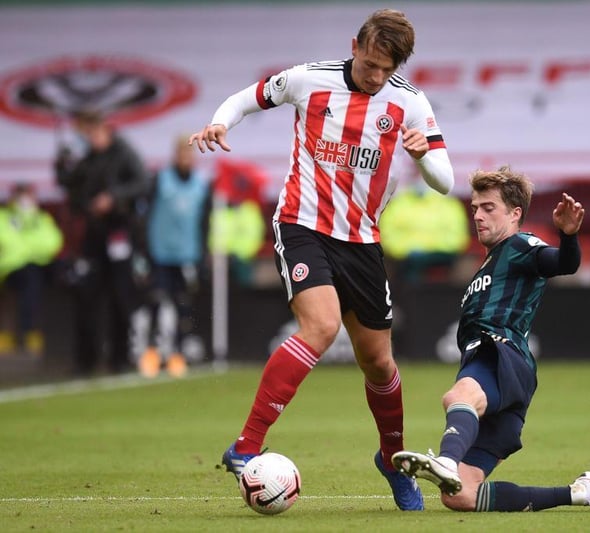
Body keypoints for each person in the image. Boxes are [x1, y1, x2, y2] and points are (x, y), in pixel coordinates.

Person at [189, 9, 454, 511]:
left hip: (363, 241)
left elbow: (446, 180)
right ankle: (245, 446)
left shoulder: (410, 103)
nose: (375, 76)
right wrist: (221, 121)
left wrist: (423, 155)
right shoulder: (310, 79)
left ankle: (392, 458)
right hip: (303, 224)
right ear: (354, 45)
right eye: (370, 63)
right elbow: (249, 97)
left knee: (378, 362)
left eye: (385, 68)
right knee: (321, 327)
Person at [391, 166, 590, 513]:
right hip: (508, 380)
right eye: (476, 208)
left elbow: (563, 263)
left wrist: (568, 236)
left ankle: (446, 461)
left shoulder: (520, 245)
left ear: (515, 214)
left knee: (458, 395)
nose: (478, 216)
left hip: (501, 355)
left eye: (488, 208)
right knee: (460, 496)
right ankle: (583, 492)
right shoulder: (488, 264)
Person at [55, 109, 150, 375]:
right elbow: (70, 185)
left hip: (119, 232)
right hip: (94, 235)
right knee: (86, 295)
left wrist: (113, 197)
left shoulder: (124, 153)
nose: (92, 138)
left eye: (95, 132)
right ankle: (86, 359)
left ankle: (119, 358)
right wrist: (62, 164)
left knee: (121, 296)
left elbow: (142, 182)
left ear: (105, 130)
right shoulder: (88, 158)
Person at [138, 135, 211, 379]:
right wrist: (144, 250)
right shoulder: (161, 180)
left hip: (186, 254)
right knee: (156, 302)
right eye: (182, 153)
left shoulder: (201, 185)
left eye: (189, 154)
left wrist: (202, 255)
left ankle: (177, 354)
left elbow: (204, 223)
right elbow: (145, 215)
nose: (185, 158)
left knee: (183, 305)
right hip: (160, 252)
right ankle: (151, 352)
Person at [0, 183, 63, 357]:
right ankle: (27, 331)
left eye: (28, 196)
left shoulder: (41, 218)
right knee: (29, 278)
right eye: (21, 196)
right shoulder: (3, 217)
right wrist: (31, 248)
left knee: (61, 272)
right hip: (9, 269)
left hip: (40, 266)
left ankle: (50, 333)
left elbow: (54, 242)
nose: (25, 201)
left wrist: (27, 247)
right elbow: (7, 242)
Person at [379, 176, 470, 284]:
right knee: (410, 265)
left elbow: (458, 238)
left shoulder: (449, 204)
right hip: (405, 257)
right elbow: (387, 235)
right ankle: (411, 298)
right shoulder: (398, 203)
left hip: (443, 255)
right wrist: (407, 250)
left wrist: (427, 249)